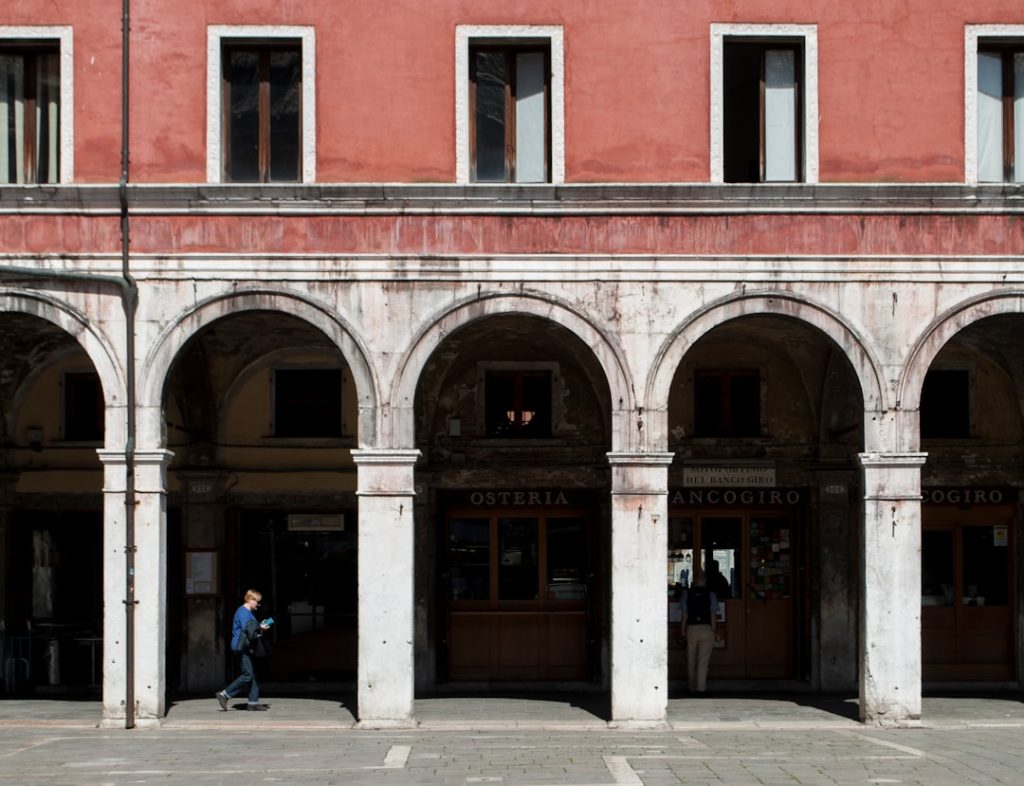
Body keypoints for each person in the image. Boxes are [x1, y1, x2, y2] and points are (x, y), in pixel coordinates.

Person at [216, 589, 270, 711]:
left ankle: (253, 702)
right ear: (251, 600)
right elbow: (249, 630)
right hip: (242, 647)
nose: (258, 604)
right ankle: (224, 694)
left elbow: (251, 630)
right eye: (257, 602)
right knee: (248, 674)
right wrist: (260, 627)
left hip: (248, 646)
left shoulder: (247, 612)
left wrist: (260, 628)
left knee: (254, 674)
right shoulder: (243, 612)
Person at [680, 569, 717, 694]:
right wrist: (713, 630)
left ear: (693, 581)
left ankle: (691, 687)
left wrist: (682, 631)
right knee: (703, 661)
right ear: (705, 581)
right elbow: (713, 614)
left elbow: (684, 615)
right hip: (706, 628)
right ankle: (700, 688)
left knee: (691, 659)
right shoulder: (711, 594)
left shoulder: (686, 594)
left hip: (691, 628)